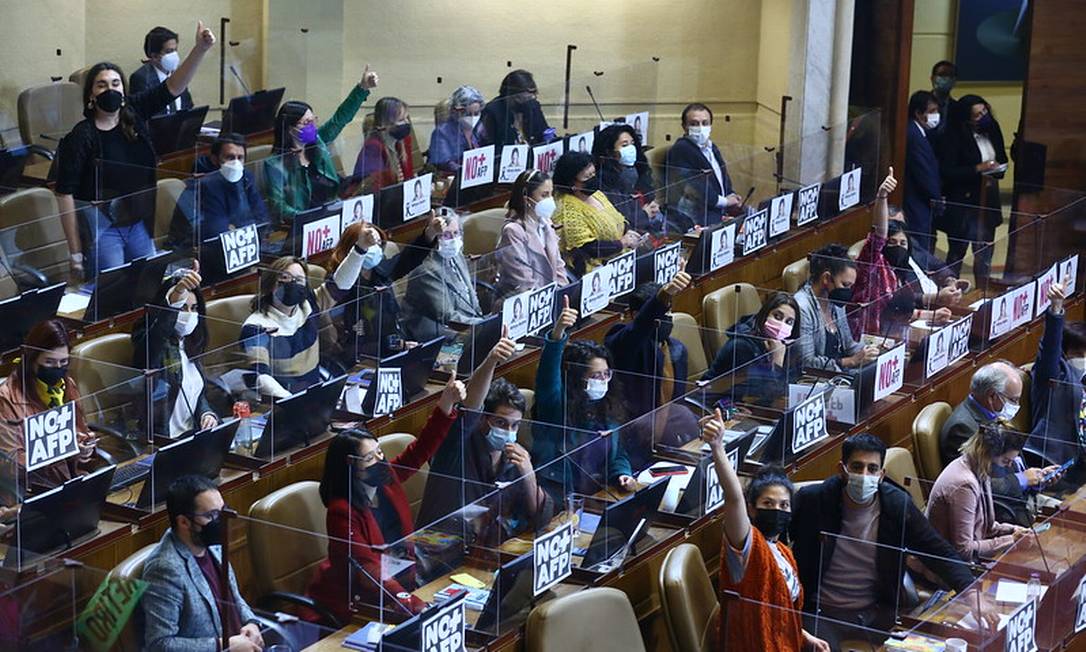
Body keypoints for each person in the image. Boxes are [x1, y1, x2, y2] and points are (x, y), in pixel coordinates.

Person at [55, 23, 216, 282]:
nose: (110, 89)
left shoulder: (134, 113)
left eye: (116, 83)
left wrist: (201, 49)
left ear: (124, 90)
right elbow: (65, 195)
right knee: (113, 293)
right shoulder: (82, 136)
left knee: (148, 285)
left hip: (138, 222)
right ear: (90, 96)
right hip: (102, 227)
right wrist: (75, 253)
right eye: (101, 85)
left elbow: (174, 86)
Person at [789, 433, 977, 650]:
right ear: (842, 469)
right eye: (857, 467)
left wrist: (971, 590)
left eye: (872, 469)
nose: (864, 474)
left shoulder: (897, 506)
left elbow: (937, 551)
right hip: (821, 614)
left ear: (881, 474)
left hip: (874, 614)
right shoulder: (813, 500)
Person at [306, 379, 464, 621]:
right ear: (351, 466)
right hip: (360, 603)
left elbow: (420, 450)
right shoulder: (342, 512)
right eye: (370, 457)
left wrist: (446, 404)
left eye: (379, 451)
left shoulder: (385, 479)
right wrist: (414, 606)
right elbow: (369, 571)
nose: (380, 460)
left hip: (400, 586)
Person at [700, 411, 830, 652]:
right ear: (752, 508)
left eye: (784, 505)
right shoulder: (747, 545)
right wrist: (717, 447)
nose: (777, 510)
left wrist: (804, 636)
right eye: (768, 504)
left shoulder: (783, 551)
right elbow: (733, 497)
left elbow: (780, 611)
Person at [419, 333, 555, 540]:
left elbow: (540, 517)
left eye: (515, 425)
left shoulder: (515, 458)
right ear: (483, 419)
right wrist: (491, 360)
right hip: (442, 551)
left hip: (488, 551)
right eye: (501, 423)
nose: (508, 431)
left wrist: (528, 476)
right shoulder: (457, 446)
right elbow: (470, 407)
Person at [141, 475, 263, 651]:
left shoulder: (214, 546)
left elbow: (234, 599)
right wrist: (222, 646)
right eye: (211, 515)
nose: (220, 521)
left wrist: (251, 623)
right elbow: (160, 644)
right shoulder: (165, 568)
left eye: (222, 511)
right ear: (184, 522)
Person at [532, 296, 634, 499]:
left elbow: (618, 453)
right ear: (577, 378)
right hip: (561, 498)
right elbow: (547, 376)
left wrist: (623, 473)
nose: (603, 380)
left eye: (606, 374)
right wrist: (558, 333)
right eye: (596, 375)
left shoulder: (607, 407)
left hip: (599, 496)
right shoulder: (556, 406)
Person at [940, 361, 1057, 526]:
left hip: (1024, 500)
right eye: (1014, 400)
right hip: (1001, 513)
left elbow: (1012, 462)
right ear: (992, 396)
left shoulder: (996, 414)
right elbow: (979, 486)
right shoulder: (963, 428)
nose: (1017, 406)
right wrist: (1022, 480)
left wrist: (1037, 478)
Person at [240, 250, 367, 398]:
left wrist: (360, 250)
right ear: (271, 284)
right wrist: (289, 400)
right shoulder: (255, 326)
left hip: (315, 391)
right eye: (286, 278)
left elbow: (341, 285)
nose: (293, 284)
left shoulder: (309, 305)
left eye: (299, 280)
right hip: (280, 399)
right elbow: (259, 374)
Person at [264, 65, 379, 226]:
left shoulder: (317, 143)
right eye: (306, 122)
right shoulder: (274, 163)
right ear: (290, 128)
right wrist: (309, 219)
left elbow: (339, 120)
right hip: (304, 224)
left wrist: (362, 88)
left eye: (313, 120)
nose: (312, 126)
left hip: (333, 214)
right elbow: (278, 205)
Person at [848, 169, 955, 338]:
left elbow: (896, 311)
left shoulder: (898, 271)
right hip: (868, 338)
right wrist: (882, 196)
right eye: (892, 243)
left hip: (893, 335)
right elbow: (878, 235)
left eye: (902, 243)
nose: (898, 247)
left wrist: (931, 315)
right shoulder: (873, 263)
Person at [325, 215, 442, 362]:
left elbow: (408, 258)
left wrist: (429, 234)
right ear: (353, 247)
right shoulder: (339, 285)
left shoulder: (379, 271)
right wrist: (401, 345)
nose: (376, 249)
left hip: (393, 350)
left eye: (379, 243)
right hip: (360, 359)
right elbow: (354, 340)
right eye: (369, 243)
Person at [0, 320, 97, 492]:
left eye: (63, 362)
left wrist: (83, 450)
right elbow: (10, 466)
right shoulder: (7, 398)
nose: (57, 369)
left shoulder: (67, 385)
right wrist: (60, 449)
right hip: (31, 490)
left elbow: (80, 433)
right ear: (32, 360)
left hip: (69, 481)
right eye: (50, 363)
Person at [131, 264, 219, 437]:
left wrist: (206, 414)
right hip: (162, 439)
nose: (189, 314)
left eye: (193, 309)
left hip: (192, 435)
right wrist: (177, 294)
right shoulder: (150, 339)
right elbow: (155, 339)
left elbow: (196, 392)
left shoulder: (190, 343)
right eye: (182, 308)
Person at [927, 424, 1034, 561]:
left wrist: (1014, 530)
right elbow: (964, 550)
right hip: (947, 565)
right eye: (1005, 461)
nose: (1009, 466)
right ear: (986, 453)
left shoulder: (979, 469)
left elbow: (985, 527)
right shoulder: (964, 485)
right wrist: (1011, 540)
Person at [936, 94, 1008, 280]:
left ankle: (982, 290)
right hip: (964, 201)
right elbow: (948, 171)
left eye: (984, 111)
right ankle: (950, 291)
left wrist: (996, 169)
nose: (983, 116)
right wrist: (978, 168)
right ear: (966, 119)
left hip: (987, 198)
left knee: (984, 252)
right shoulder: (954, 136)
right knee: (957, 252)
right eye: (977, 115)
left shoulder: (992, 128)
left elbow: (1002, 159)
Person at [604, 272, 691, 418]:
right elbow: (640, 327)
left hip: (670, 429)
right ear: (636, 315)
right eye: (662, 313)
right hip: (635, 429)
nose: (667, 317)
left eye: (669, 311)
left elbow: (678, 404)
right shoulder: (622, 343)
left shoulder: (676, 348)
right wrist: (664, 294)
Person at [169, 132, 269, 247]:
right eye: (230, 157)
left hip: (241, 247)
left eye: (240, 158)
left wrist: (236, 228)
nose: (235, 163)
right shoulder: (200, 187)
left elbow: (262, 218)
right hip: (196, 251)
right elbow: (215, 231)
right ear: (215, 159)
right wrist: (243, 228)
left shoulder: (246, 178)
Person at [702, 291, 802, 407]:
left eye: (789, 322)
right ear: (764, 314)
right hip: (714, 409)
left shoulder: (783, 344)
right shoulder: (742, 347)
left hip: (745, 407)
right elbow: (767, 396)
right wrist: (777, 360)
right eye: (777, 316)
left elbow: (791, 384)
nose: (781, 325)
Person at [551, 151, 642, 275]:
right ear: (572, 183)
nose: (593, 179)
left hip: (621, 258)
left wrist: (627, 231)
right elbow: (588, 248)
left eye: (594, 174)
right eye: (587, 177)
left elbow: (616, 217)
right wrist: (622, 243)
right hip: (594, 269)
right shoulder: (568, 210)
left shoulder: (596, 194)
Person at [1030, 277, 1086, 476]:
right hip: (1054, 464)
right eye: (1079, 355)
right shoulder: (1054, 375)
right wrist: (1056, 308)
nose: (1084, 361)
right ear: (1065, 354)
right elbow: (1050, 349)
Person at [793, 244, 877, 372]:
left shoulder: (834, 301)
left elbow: (849, 345)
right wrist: (852, 361)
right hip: (815, 380)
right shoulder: (802, 307)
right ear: (826, 278)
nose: (847, 291)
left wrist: (870, 352)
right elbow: (807, 362)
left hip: (839, 373)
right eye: (845, 284)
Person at [402, 212, 485, 341]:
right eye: (446, 235)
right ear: (434, 237)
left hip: (467, 323)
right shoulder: (426, 269)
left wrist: (482, 320)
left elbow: (469, 293)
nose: (453, 239)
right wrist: (482, 326)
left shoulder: (456, 255)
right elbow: (447, 316)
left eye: (456, 233)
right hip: (435, 332)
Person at [664, 103, 741, 232]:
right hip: (697, 216)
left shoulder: (712, 147)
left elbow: (723, 176)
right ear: (684, 127)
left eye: (705, 123)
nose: (700, 128)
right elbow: (694, 188)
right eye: (694, 124)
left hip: (718, 211)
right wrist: (726, 202)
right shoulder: (681, 149)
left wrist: (731, 194)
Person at [496, 170, 568, 298]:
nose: (550, 200)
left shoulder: (546, 222)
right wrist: (546, 301)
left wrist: (563, 294)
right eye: (544, 195)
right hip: (523, 302)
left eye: (551, 194)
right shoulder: (513, 231)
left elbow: (558, 266)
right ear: (526, 198)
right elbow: (523, 281)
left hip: (550, 296)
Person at [592, 124, 660, 232]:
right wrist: (644, 215)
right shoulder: (603, 182)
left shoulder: (636, 171)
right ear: (608, 152)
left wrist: (652, 208)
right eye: (624, 145)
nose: (631, 149)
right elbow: (618, 223)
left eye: (632, 143)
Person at [903, 91, 944, 253]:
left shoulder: (920, 132)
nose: (936, 116)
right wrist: (937, 198)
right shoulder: (913, 134)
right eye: (932, 111)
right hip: (916, 203)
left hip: (921, 203)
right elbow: (923, 172)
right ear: (918, 113)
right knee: (919, 248)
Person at [354, 96, 416, 193]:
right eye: (401, 120)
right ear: (383, 125)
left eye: (406, 119)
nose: (407, 123)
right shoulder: (373, 148)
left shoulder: (399, 143)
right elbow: (374, 188)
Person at [129, 26, 193, 116]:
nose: (174, 55)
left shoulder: (179, 74)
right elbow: (141, 115)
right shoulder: (141, 78)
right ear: (154, 56)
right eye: (169, 51)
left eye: (175, 50)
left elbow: (188, 106)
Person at [478, 69, 551, 147]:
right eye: (524, 99)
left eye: (532, 97)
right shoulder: (492, 112)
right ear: (510, 96)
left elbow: (545, 133)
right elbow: (488, 146)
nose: (529, 102)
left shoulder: (532, 106)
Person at [428, 85, 485, 174]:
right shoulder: (442, 132)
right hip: (452, 178)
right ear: (456, 111)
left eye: (477, 113)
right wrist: (467, 170)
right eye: (468, 114)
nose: (473, 118)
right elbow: (444, 163)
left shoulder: (479, 128)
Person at [929, 60, 958, 147]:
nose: (945, 79)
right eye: (941, 75)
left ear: (954, 81)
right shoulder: (921, 104)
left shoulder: (958, 108)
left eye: (949, 76)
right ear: (932, 78)